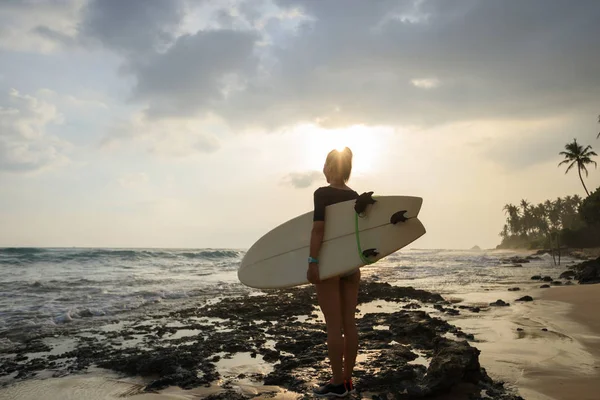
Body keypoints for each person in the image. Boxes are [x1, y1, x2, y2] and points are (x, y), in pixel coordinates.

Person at [307, 147, 360, 398]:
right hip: (351, 264)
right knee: (349, 324)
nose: (323, 169)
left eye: (325, 165)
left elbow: (319, 230)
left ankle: (337, 383)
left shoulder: (322, 194)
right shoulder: (355, 196)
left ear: (329, 168)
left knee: (333, 326)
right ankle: (348, 380)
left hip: (330, 264)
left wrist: (313, 261)